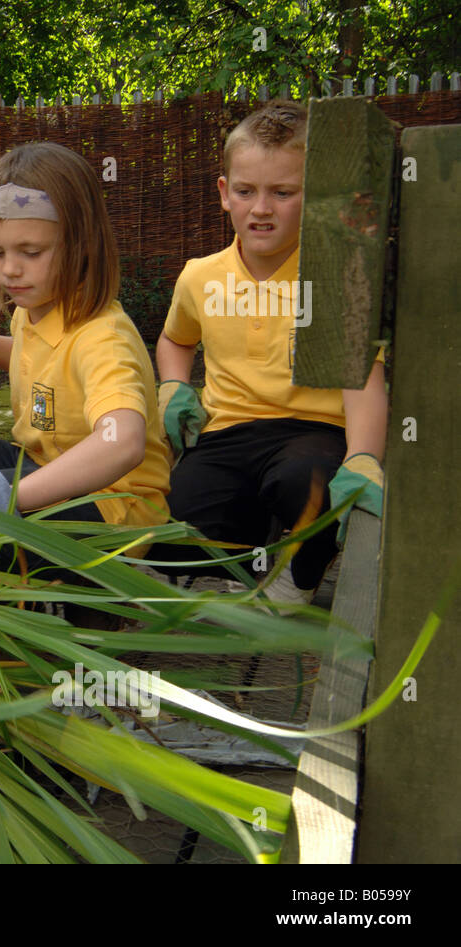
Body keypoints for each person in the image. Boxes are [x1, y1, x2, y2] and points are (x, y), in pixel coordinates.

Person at [0, 142, 171, 559]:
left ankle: (76, 595)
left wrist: (9, 497)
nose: (9, 270)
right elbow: (42, 354)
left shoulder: (104, 338)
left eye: (30, 252)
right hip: (43, 467)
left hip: (114, 509)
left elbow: (122, 443)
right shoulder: (35, 308)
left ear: (82, 244)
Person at [154, 101, 387, 604]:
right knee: (174, 534)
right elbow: (176, 338)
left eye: (283, 193)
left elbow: (362, 375)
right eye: (246, 191)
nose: (261, 208)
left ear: (312, 198)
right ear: (224, 194)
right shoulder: (200, 275)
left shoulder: (333, 275)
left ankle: (301, 576)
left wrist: (365, 455)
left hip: (314, 430)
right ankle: (249, 550)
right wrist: (173, 384)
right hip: (228, 431)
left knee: (311, 485)